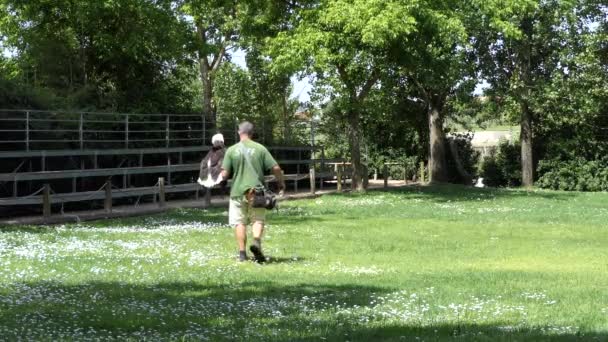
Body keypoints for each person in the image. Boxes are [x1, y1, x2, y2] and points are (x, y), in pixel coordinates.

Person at [221, 121, 285, 262]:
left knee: (240, 222)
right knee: (258, 220)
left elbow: (224, 174)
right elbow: (276, 168)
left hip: (237, 192)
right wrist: (280, 182)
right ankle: (256, 241)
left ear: (239, 132)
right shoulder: (260, 149)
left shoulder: (231, 150)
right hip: (256, 191)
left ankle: (242, 254)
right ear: (252, 133)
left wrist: (220, 181)